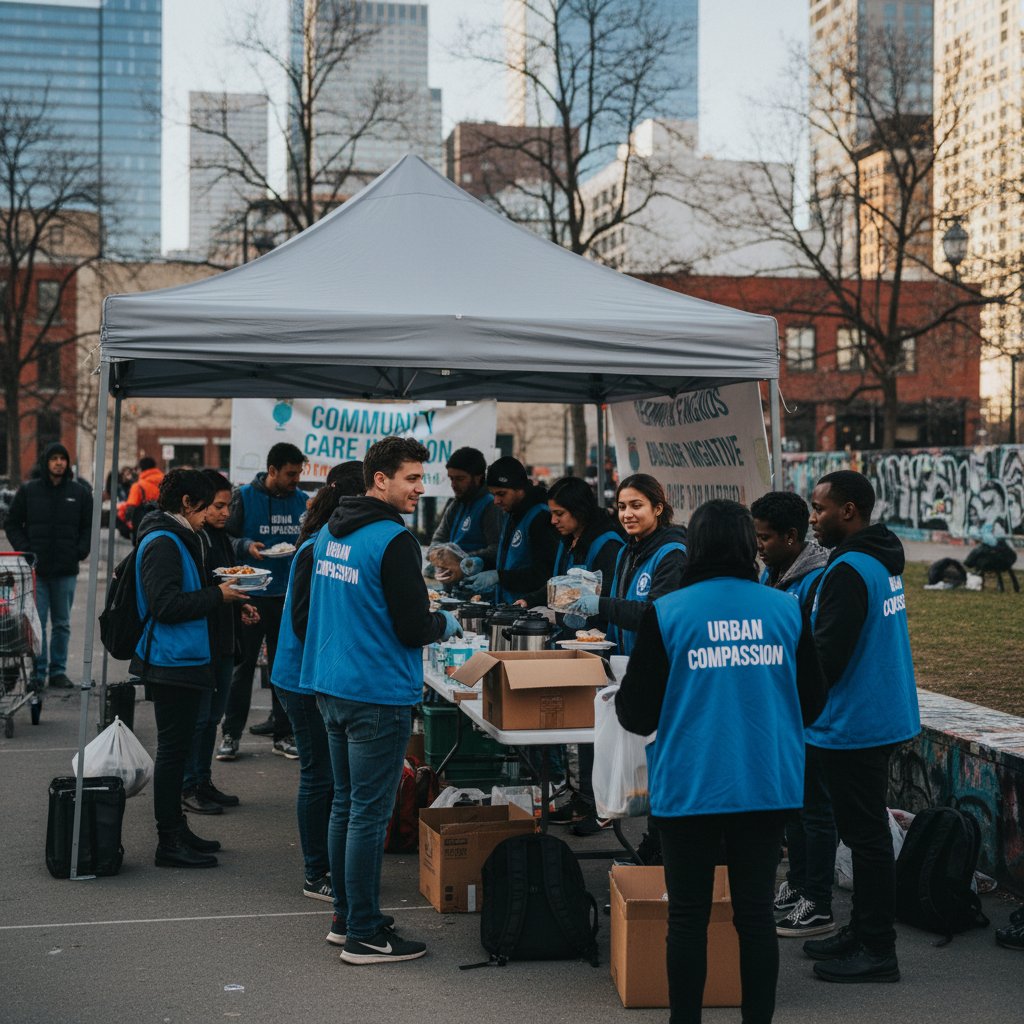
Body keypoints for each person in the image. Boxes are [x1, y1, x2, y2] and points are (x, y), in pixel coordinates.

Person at [615, 499, 819, 1024]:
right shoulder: (785, 609)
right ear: (750, 546)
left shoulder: (669, 612)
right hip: (765, 781)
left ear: (696, 547)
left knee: (687, 917)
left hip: (690, 783)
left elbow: (635, 713)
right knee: (754, 917)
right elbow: (814, 700)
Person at [295, 437, 462, 964]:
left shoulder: (329, 532)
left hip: (333, 684)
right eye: (411, 478)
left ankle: (348, 918)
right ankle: (365, 931)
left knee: (347, 805)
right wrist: (447, 621)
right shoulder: (392, 539)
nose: (420, 488)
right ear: (379, 480)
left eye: (421, 478)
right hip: (375, 692)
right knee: (366, 813)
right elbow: (413, 626)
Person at [802, 470, 920, 983]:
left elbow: (828, 655)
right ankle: (863, 930)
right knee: (864, 831)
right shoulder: (879, 557)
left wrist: (795, 704)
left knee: (866, 837)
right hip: (881, 714)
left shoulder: (850, 568)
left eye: (819, 508)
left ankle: (878, 949)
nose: (813, 518)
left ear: (848, 510)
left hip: (854, 723)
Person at [132, 469, 248, 868]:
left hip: (183, 658)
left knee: (177, 751)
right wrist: (217, 594)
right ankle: (169, 840)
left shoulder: (181, 537)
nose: (212, 516)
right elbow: (164, 605)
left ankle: (177, 830)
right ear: (186, 503)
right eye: (207, 507)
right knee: (172, 753)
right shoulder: (164, 541)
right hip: (169, 661)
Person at [272, 461, 364, 904]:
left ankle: (331, 865)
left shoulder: (327, 539)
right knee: (319, 775)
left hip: (314, 672)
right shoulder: (317, 545)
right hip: (302, 675)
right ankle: (316, 872)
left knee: (330, 777)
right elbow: (305, 618)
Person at [750, 491, 835, 938]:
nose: (758, 545)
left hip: (811, 714)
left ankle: (818, 900)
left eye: (765, 537)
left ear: (790, 536)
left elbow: (815, 652)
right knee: (795, 808)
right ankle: (799, 882)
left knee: (815, 810)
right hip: (783, 712)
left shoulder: (816, 579)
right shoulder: (775, 573)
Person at [522, 475, 625, 835]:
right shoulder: (572, 540)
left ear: (580, 510)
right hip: (571, 642)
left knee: (596, 730)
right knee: (579, 728)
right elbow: (562, 587)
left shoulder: (607, 544)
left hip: (598, 648)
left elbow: (605, 598)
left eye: (560, 513)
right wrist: (537, 602)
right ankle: (581, 797)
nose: (554, 521)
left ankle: (600, 806)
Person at [218, 442, 309, 762]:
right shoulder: (244, 496)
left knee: (283, 669)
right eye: (290, 473)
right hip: (249, 595)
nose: (296, 479)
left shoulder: (303, 502)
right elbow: (222, 536)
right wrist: (245, 545)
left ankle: (283, 734)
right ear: (272, 471)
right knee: (241, 667)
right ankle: (230, 734)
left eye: (299, 473)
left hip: (287, 596)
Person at [181, 471, 260, 816]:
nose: (226, 512)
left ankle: (203, 779)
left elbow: (227, 581)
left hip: (225, 638)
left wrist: (240, 603)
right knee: (198, 719)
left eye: (228, 505)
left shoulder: (220, 535)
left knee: (212, 717)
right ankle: (189, 785)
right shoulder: (192, 538)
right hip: (203, 642)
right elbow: (195, 591)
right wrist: (224, 597)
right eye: (218, 505)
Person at [564, 473, 687, 656]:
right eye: (622, 507)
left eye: (636, 506)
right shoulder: (626, 550)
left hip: (660, 667)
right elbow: (620, 609)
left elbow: (654, 616)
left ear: (658, 509)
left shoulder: (672, 553)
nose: (627, 514)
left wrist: (600, 604)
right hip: (625, 663)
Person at [4, 441, 91, 689]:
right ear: (46, 461)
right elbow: (12, 523)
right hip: (36, 571)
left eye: (62, 458)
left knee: (62, 624)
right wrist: (26, 551)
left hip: (66, 570)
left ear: (67, 462)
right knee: (37, 624)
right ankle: (37, 673)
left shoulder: (79, 492)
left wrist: (80, 550)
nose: (58, 462)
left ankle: (58, 672)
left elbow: (88, 526)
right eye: (54, 458)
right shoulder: (29, 491)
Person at [461, 456, 559, 603]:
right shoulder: (512, 513)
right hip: (508, 607)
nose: (496, 501)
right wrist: (483, 562)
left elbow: (544, 574)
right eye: (493, 494)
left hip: (531, 612)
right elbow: (510, 560)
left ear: (519, 489)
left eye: (501, 494)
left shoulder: (540, 517)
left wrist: (499, 576)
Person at [428, 447, 502, 586]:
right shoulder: (455, 504)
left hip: (478, 589)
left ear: (478, 477)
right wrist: (440, 556)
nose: (454, 485)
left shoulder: (491, 505)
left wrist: (462, 559)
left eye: (460, 479)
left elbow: (497, 548)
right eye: (451, 478)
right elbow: (438, 539)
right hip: (452, 586)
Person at [124, 456, 164, 541]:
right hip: (164, 524)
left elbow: (130, 509)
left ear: (141, 469)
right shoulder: (166, 482)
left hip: (143, 526)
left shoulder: (138, 486)